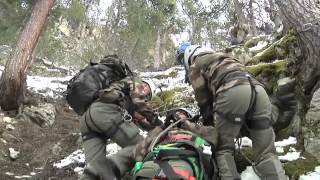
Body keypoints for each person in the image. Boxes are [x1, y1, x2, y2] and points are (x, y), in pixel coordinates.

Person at [176, 44, 287, 180]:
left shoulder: (196, 63)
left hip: (232, 90)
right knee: (266, 152)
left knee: (222, 148)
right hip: (259, 92)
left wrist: (208, 122)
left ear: (189, 56)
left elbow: (203, 99)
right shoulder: (224, 57)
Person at [80, 75, 162, 180]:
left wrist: (156, 129)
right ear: (145, 84)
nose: (144, 93)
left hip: (87, 119)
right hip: (105, 113)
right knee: (142, 146)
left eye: (147, 96)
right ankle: (114, 168)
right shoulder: (135, 81)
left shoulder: (125, 97)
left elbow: (141, 120)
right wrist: (158, 122)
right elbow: (140, 104)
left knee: (93, 170)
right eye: (147, 92)